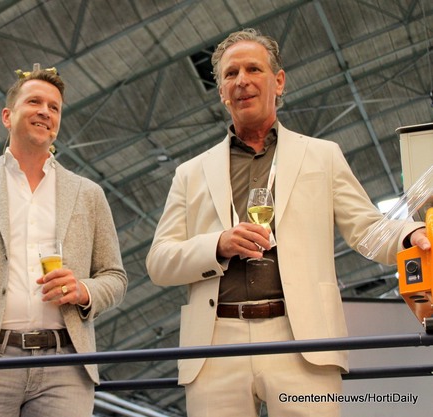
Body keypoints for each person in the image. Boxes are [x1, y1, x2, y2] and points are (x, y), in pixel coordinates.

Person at [145, 28, 430, 417]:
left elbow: (367, 230)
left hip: (302, 341)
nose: (242, 81)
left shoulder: (323, 156)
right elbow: (159, 261)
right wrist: (217, 244)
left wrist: (411, 233)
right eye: (230, 74)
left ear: (278, 81)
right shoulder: (190, 173)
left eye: (253, 69)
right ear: (221, 92)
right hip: (214, 346)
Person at [0, 65, 128, 417]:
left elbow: (115, 277)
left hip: (67, 367)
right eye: (34, 102)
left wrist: (83, 290)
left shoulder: (88, 194)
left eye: (54, 107)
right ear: (7, 116)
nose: (45, 112)